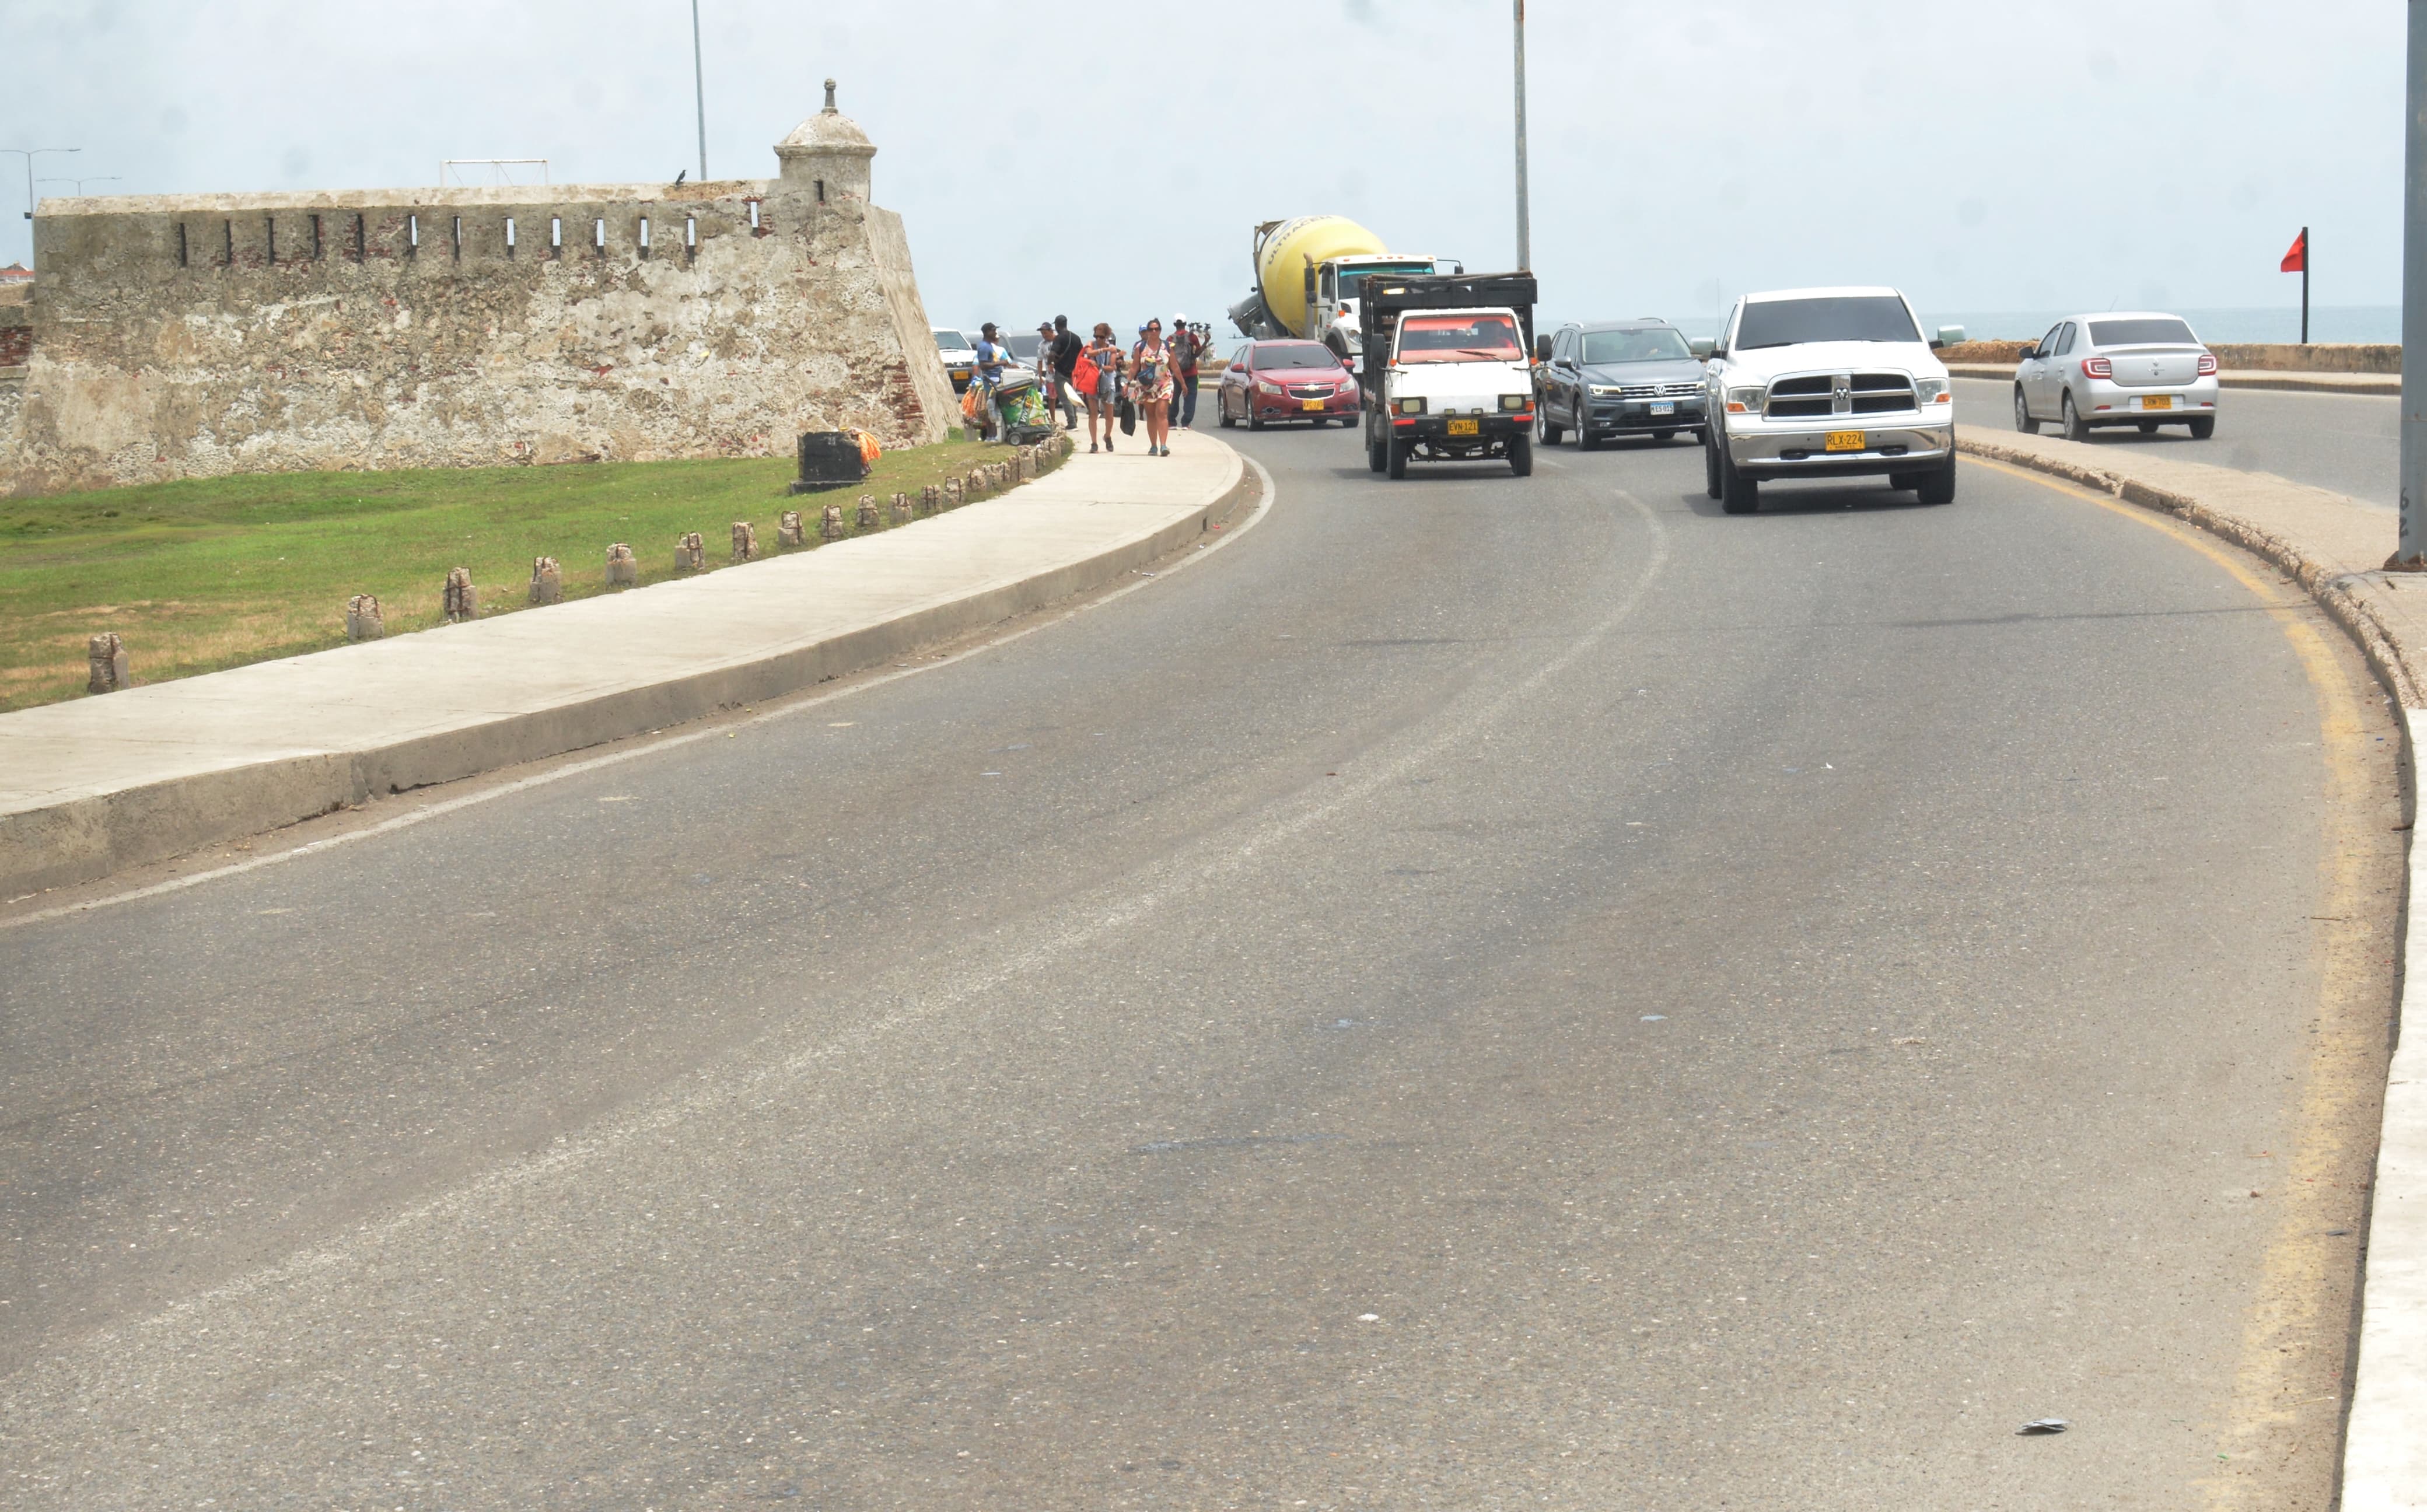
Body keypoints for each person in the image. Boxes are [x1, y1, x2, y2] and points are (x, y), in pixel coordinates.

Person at [1130, 317, 1176, 457]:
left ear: (1160, 330)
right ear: (1147, 332)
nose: (1154, 331)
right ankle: (1154, 446)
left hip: (1165, 384)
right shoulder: (1141, 348)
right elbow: (1134, 367)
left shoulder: (1168, 346)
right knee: (1151, 415)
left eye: (1156, 329)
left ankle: (1164, 445)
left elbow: (1175, 367)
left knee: (1162, 412)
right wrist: (1127, 383)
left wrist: (1184, 384)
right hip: (1147, 386)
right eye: (1151, 329)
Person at [1080, 321, 1125, 453]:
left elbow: (1111, 368)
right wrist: (1104, 350)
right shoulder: (1092, 345)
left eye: (1101, 337)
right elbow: (1089, 352)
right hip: (1092, 381)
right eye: (1096, 336)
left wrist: (1099, 366)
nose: (1098, 339)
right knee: (1093, 413)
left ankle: (1108, 436)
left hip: (1107, 382)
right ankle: (1094, 443)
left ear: (1106, 336)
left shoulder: (1112, 350)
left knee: (1109, 415)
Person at [972, 321, 1010, 440]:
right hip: (991, 380)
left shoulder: (989, 346)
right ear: (988, 332)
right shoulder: (984, 347)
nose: (995, 333)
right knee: (992, 409)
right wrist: (1000, 363)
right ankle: (992, 436)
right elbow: (983, 365)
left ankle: (993, 435)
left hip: (996, 378)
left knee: (994, 408)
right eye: (994, 331)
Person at [1048, 315, 1083, 429]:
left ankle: (1072, 423)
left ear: (1057, 325)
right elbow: (1082, 354)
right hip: (1074, 373)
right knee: (1073, 396)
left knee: (1065, 398)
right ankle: (1075, 419)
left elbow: (1052, 353)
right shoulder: (1076, 338)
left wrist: (1050, 364)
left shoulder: (1059, 338)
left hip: (1062, 372)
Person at [1168, 315, 1203, 430]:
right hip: (1191, 372)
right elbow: (1197, 352)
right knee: (1190, 399)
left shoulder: (1170, 339)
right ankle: (1186, 424)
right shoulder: (1192, 337)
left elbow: (1167, 357)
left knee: (1173, 398)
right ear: (1185, 323)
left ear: (1175, 325)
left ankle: (1172, 422)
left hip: (1176, 375)